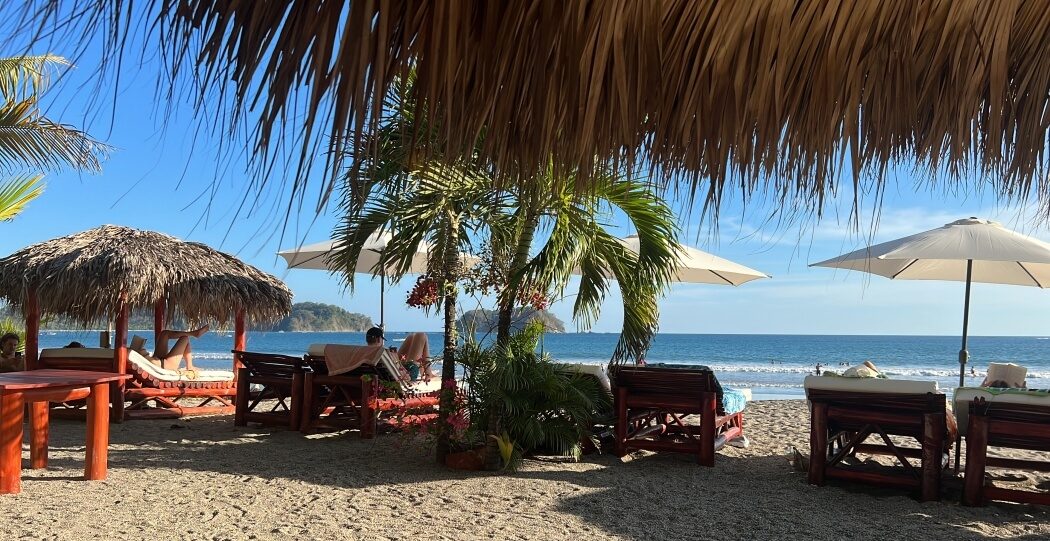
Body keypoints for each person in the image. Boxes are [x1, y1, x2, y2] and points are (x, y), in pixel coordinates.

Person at [364, 326, 433, 380]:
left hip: (391, 373)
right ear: (379, 339)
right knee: (421, 335)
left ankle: (428, 372)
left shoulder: (361, 352)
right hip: (404, 375)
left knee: (411, 337)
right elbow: (401, 372)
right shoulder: (383, 352)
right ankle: (428, 373)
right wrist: (394, 356)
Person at [132, 325, 209, 371]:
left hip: (157, 360)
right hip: (165, 366)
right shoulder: (126, 353)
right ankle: (190, 366)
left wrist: (139, 349)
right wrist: (141, 351)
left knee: (164, 333)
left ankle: (194, 333)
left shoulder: (126, 352)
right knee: (185, 339)